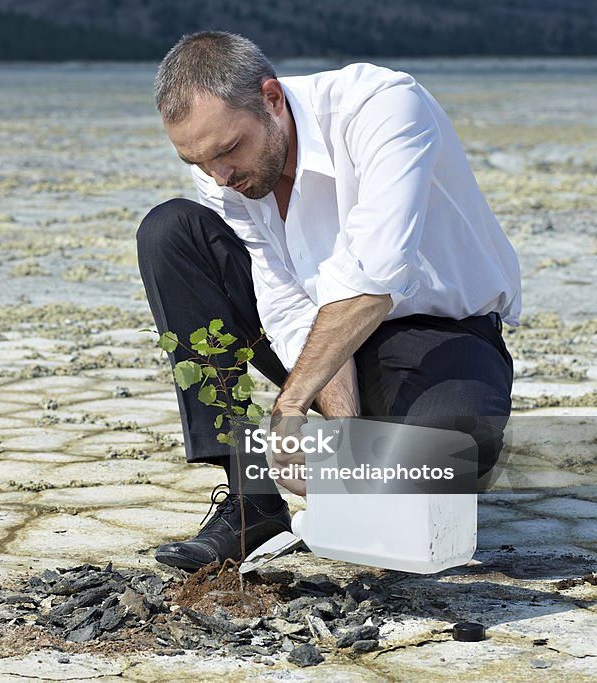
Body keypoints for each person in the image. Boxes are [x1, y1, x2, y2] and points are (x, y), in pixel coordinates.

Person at [136, 31, 522, 572]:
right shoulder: (223, 172)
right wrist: (339, 429)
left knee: (451, 450)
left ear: (272, 99)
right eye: (197, 161)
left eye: (227, 150)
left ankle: (379, 478)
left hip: (435, 333)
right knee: (171, 232)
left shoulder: (383, 106)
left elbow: (375, 276)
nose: (218, 175)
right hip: (325, 336)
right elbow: (289, 303)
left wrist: (293, 408)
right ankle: (253, 503)